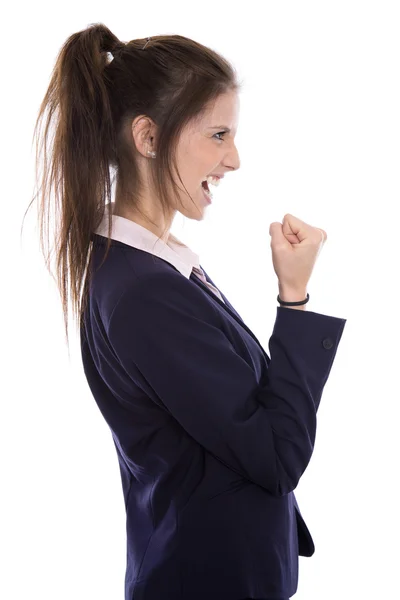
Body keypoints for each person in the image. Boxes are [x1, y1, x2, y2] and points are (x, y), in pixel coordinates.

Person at [26, 22, 347, 600]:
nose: (235, 159)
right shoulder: (145, 291)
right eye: (218, 135)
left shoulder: (147, 268)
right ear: (148, 137)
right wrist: (294, 301)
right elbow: (275, 456)